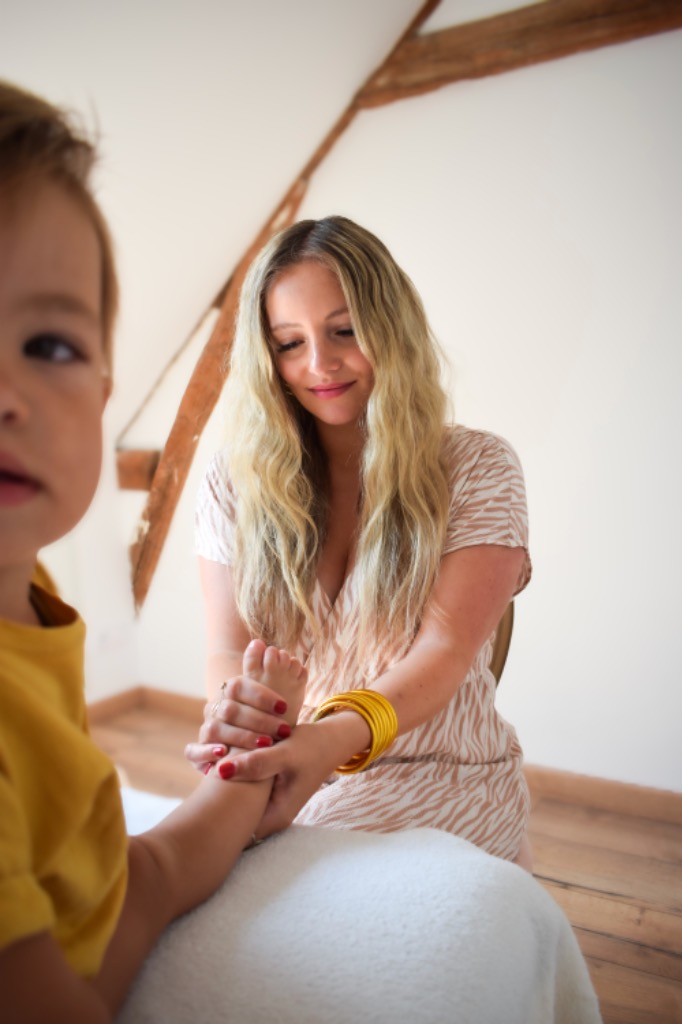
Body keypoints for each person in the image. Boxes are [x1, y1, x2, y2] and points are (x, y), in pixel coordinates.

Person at [0, 79, 306, 1023]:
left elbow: (141, 874)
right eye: (292, 341)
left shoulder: (29, 597)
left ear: (101, 392)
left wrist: (247, 768)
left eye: (46, 344)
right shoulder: (233, 474)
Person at [187, 215, 534, 869]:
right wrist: (241, 719)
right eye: (289, 343)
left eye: (344, 331)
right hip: (282, 763)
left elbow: (446, 648)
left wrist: (327, 742)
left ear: (391, 326)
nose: (319, 364)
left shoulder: (479, 468)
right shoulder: (233, 481)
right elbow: (226, 649)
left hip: (440, 773)